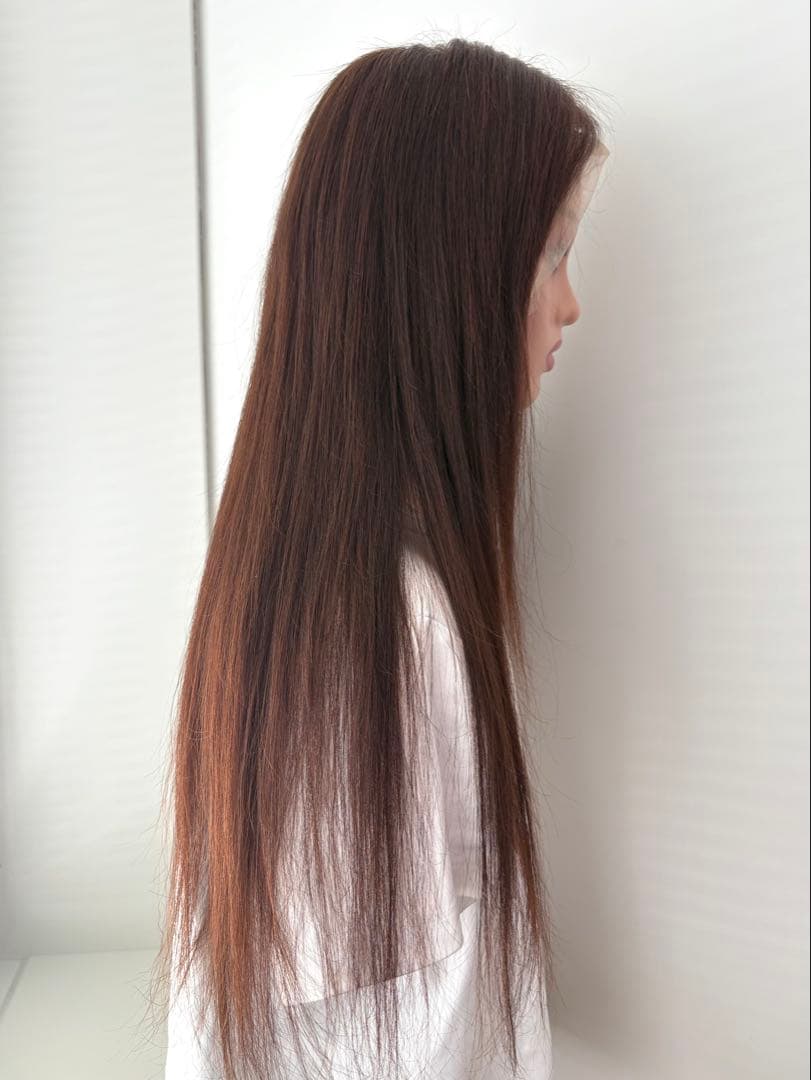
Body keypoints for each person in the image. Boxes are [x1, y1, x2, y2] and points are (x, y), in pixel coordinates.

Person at [151, 35, 610, 1080]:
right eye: (550, 255)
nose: (570, 302)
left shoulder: (332, 597)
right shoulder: (386, 633)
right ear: (442, 280)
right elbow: (378, 1049)